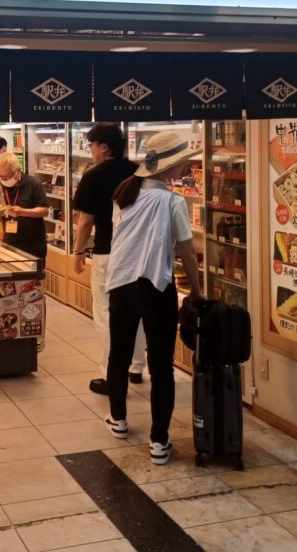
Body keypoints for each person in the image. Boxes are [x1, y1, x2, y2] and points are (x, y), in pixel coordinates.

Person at [102, 131, 204, 466]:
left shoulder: (124, 194)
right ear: (168, 167)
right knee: (161, 366)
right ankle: (159, 440)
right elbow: (186, 253)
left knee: (119, 354)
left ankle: (118, 419)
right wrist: (198, 291)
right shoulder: (172, 202)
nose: (185, 167)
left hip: (121, 282)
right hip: (157, 286)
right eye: (182, 163)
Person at [71, 123, 145, 396]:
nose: (90, 150)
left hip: (108, 252)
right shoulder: (138, 172)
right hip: (137, 252)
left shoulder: (94, 175)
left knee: (106, 313)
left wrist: (78, 251)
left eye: (91, 145)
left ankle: (110, 374)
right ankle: (136, 367)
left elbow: (85, 222)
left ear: (104, 146)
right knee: (135, 310)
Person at [0, 151, 48, 261]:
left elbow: (44, 211)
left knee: (32, 272)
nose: (4, 180)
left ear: (18, 170)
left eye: (7, 176)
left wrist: (22, 212)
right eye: (0, 176)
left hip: (33, 246)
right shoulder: (0, 186)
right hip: (9, 243)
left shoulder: (33, 184)